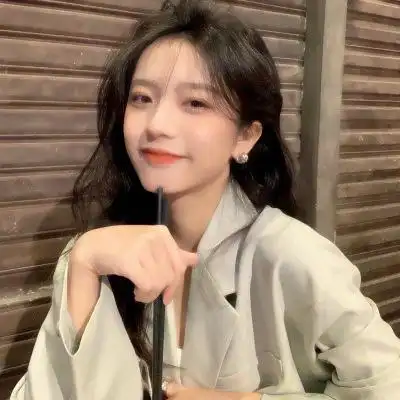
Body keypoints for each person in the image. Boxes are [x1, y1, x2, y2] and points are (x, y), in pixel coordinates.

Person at [10, 0, 400, 399]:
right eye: (141, 98)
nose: (157, 125)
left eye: (195, 103)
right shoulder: (99, 254)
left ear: (245, 136)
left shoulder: (291, 256)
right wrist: (85, 263)